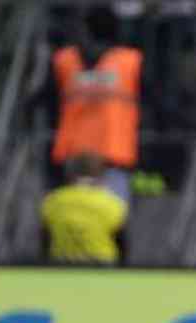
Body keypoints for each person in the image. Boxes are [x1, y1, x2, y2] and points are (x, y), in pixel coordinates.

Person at [50, 6, 143, 203]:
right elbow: (154, 101)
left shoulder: (64, 61)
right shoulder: (130, 62)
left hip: (73, 158)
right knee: (111, 222)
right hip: (113, 155)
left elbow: (44, 102)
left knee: (73, 223)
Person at [41, 152, 128, 265]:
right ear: (101, 174)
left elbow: (45, 239)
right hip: (102, 266)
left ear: (69, 173)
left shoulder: (53, 200)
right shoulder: (112, 203)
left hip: (61, 265)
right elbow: (122, 241)